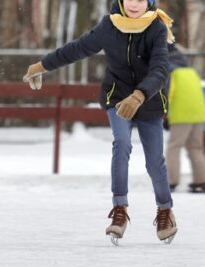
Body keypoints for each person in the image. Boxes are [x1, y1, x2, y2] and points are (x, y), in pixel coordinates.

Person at [23, 0, 178, 245]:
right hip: (116, 97)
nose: (134, 4)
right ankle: (119, 210)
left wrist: (139, 95)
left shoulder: (156, 27)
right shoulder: (110, 25)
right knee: (122, 143)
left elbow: (160, 69)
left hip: (148, 100)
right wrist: (42, 65)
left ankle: (165, 210)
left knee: (154, 162)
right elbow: (77, 49)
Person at [164, 43, 205, 193]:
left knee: (174, 147)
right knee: (195, 147)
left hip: (182, 114)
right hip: (199, 113)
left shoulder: (170, 71)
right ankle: (201, 180)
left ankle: (171, 180)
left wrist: (165, 113)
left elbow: (168, 93)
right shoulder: (191, 72)